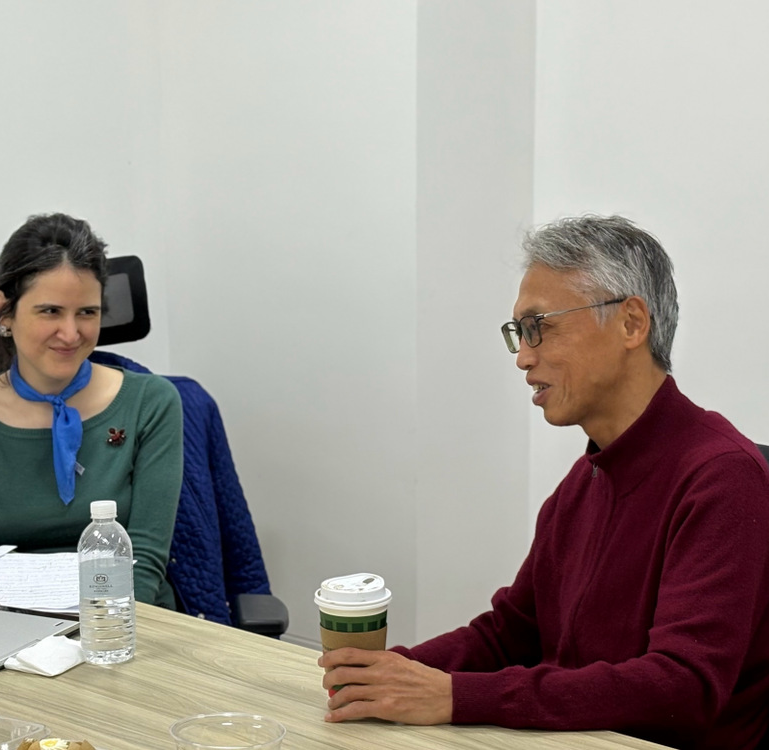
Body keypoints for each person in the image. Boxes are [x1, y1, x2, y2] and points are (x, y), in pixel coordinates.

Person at [319, 215, 769, 749]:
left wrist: (457, 696)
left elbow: (681, 688)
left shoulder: (723, 478)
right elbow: (509, 634)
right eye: (518, 333)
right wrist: (390, 676)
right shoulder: (583, 483)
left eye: (539, 327)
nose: (523, 357)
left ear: (631, 323)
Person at [0, 213, 184, 608]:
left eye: (87, 312)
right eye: (50, 311)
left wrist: (103, 629)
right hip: (11, 623)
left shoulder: (152, 402)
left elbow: (145, 561)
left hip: (129, 617)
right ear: (4, 311)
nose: (70, 333)